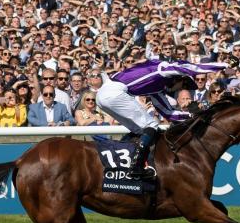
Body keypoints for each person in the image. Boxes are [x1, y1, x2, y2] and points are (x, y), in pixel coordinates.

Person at [96, 58, 228, 179]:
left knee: (140, 130)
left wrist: (194, 115)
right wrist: (224, 64)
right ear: (179, 79)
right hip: (115, 93)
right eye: (183, 86)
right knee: (152, 125)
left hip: (103, 95)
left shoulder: (156, 88)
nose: (180, 90)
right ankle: (136, 167)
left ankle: (123, 159)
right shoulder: (163, 69)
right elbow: (193, 68)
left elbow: (169, 114)